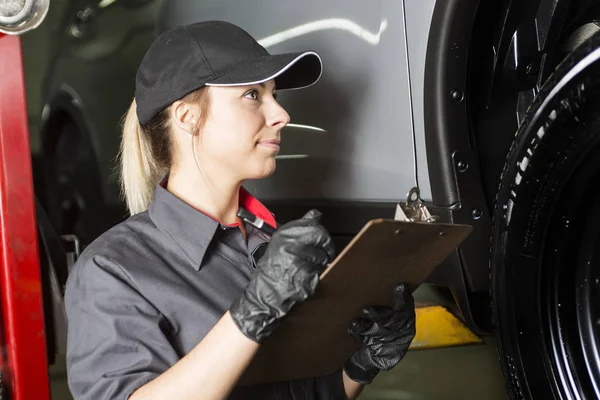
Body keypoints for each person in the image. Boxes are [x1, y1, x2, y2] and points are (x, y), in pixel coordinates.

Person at [64, 20, 416, 400]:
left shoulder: (270, 247)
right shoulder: (114, 270)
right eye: (252, 95)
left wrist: (360, 365)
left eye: (274, 95)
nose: (281, 114)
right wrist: (248, 316)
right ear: (187, 117)